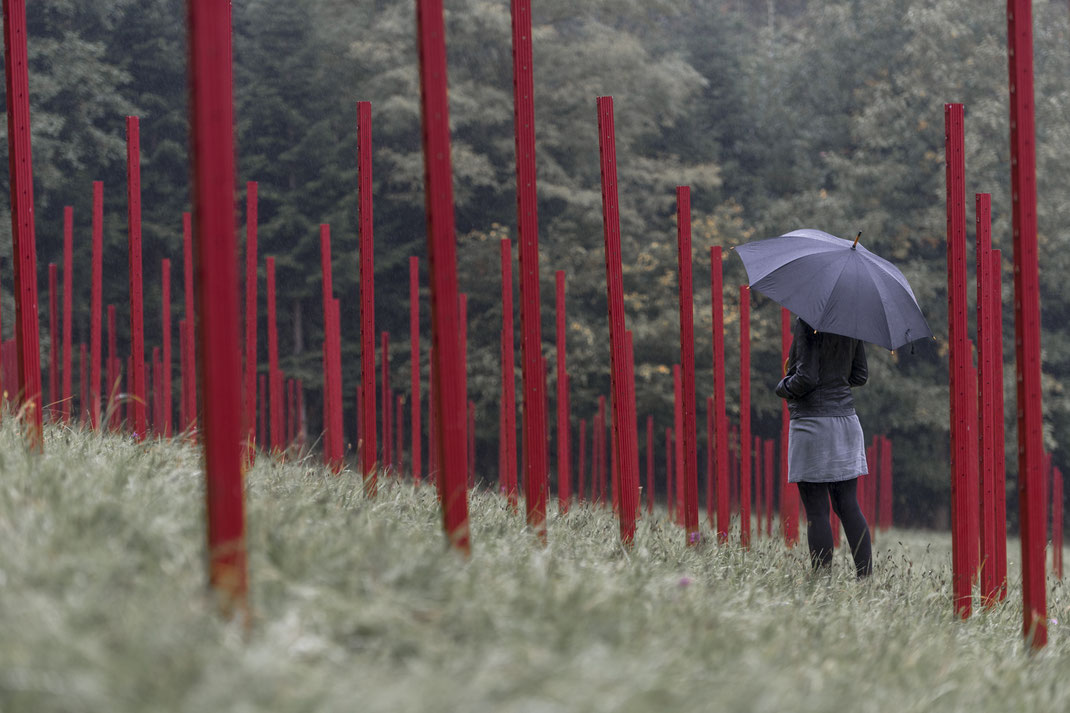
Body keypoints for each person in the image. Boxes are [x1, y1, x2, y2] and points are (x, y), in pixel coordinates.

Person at [776, 316, 872, 578]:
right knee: (848, 506)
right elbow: (860, 375)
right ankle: (866, 581)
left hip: (813, 423)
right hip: (846, 422)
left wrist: (783, 386)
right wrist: (835, 380)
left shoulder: (807, 321)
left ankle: (821, 583)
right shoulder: (852, 322)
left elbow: (806, 378)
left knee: (817, 510)